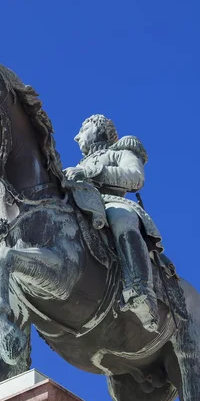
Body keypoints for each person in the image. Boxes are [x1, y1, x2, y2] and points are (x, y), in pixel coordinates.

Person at [64, 114, 163, 333]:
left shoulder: (120, 152)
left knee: (122, 219)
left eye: (83, 128)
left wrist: (89, 173)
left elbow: (135, 176)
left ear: (99, 129)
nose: (76, 137)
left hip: (111, 202)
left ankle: (141, 290)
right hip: (81, 205)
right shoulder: (78, 164)